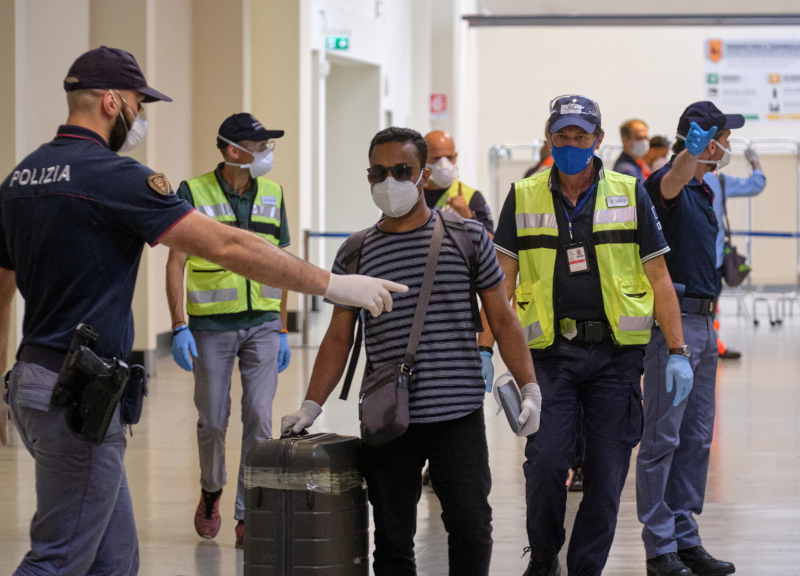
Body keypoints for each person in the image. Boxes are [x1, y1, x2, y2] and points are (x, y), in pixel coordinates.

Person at [0, 46, 405, 576]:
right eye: (139, 106)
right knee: (58, 558)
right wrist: (332, 284)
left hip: (36, 382)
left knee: (114, 557)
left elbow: (2, 291)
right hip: (76, 394)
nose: (140, 118)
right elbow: (229, 247)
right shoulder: (113, 176)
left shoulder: (21, 178)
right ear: (111, 101)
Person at [281, 127, 540, 576]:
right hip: (388, 419)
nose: (390, 182)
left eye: (402, 171)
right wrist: (311, 404)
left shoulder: (467, 237)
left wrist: (529, 385)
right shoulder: (356, 251)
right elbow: (339, 336)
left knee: (471, 528)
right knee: (393, 540)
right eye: (378, 173)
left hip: (456, 415)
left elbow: (501, 317)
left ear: (423, 175)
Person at [480, 95, 690, 576]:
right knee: (547, 463)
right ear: (549, 137)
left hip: (615, 358)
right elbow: (501, 282)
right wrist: (484, 347)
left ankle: (586, 567)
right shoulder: (525, 194)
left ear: (597, 140)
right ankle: (546, 554)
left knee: (606, 472)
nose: (571, 144)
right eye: (562, 135)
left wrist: (677, 350)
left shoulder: (628, 190)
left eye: (580, 136)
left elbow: (658, 277)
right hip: (548, 356)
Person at [166, 113, 294, 547]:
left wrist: (281, 327)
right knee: (213, 420)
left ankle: (248, 512)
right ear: (233, 150)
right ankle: (211, 490)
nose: (267, 153)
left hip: (261, 322)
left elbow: (284, 265)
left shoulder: (274, 194)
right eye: (259, 146)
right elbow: (176, 261)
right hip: (210, 328)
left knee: (259, 418)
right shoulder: (192, 192)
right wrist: (179, 324)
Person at [636, 101, 741, 576]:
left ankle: (685, 534)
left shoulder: (705, 191)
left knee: (697, 438)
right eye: (724, 135)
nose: (729, 145)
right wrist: (688, 154)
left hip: (705, 322)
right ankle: (660, 546)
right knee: (663, 437)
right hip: (672, 328)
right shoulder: (668, 183)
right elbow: (672, 178)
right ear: (704, 138)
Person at [705, 149, 766, 359]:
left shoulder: (677, 178)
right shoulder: (720, 181)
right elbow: (755, 185)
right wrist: (755, 162)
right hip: (714, 258)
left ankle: (700, 346)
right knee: (712, 306)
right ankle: (712, 346)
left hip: (687, 259)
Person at [423, 130, 494, 236]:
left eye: (449, 158)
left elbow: (491, 243)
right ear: (422, 159)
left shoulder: (471, 197)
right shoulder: (412, 195)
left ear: (456, 156)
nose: (444, 165)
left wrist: (469, 217)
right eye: (436, 158)